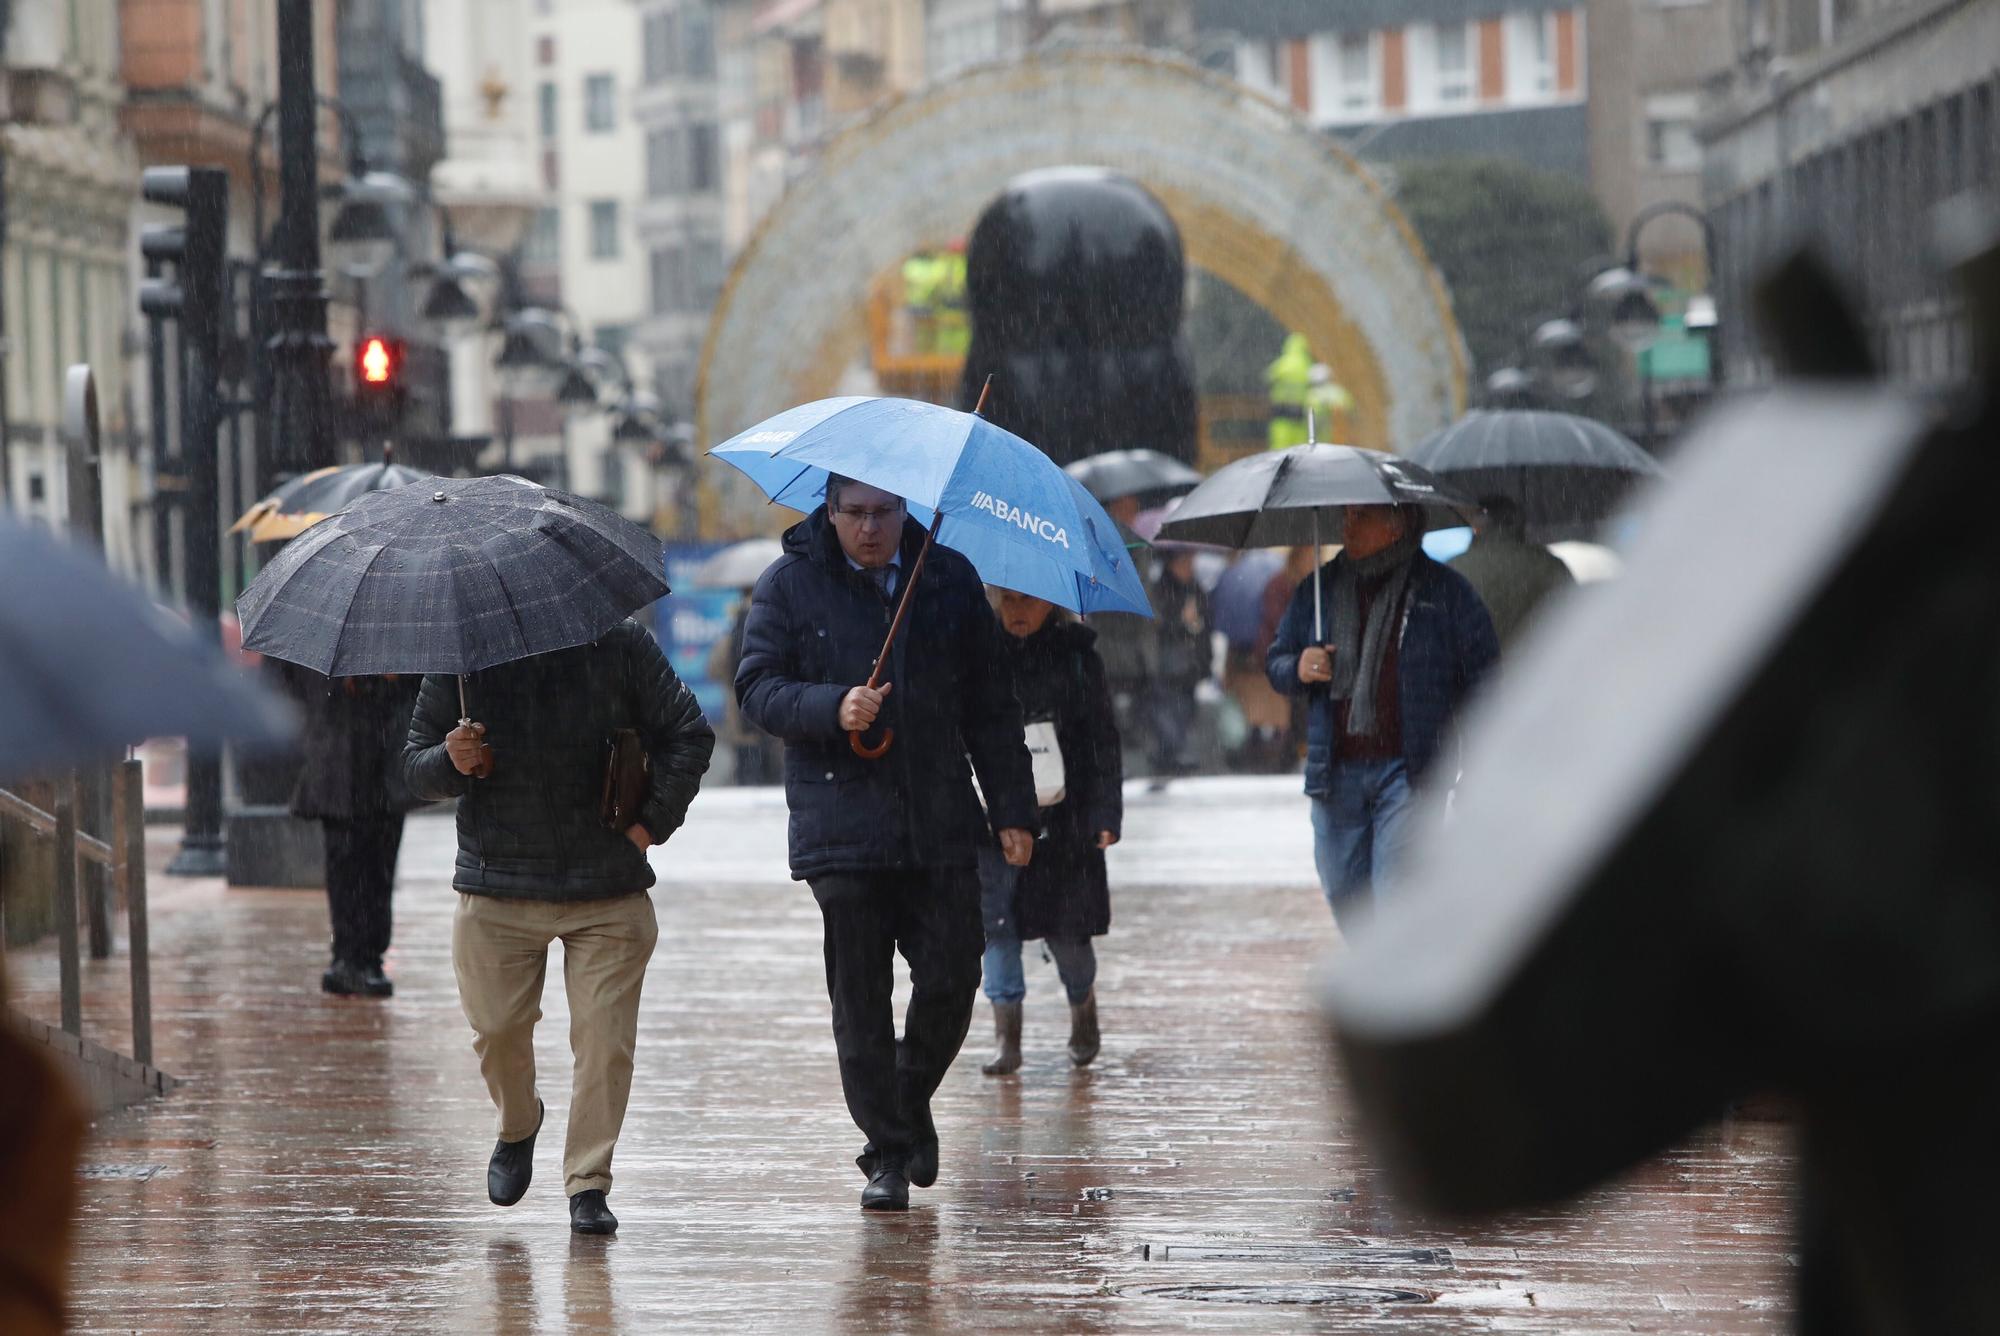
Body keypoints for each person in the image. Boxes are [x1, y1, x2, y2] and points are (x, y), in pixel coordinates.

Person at [735, 475, 1036, 1212]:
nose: (871, 529)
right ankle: (888, 1153)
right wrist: (833, 705)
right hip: (839, 826)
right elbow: (757, 689)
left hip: (937, 816)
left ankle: (905, 1095)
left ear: (906, 512)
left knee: (952, 973)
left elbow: (992, 706)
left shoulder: (949, 580)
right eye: (856, 514)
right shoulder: (789, 586)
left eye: (885, 514)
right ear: (829, 513)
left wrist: (1013, 808)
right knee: (860, 996)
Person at [402, 620, 713, 1236]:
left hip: (608, 884)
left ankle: (588, 1183)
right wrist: (450, 759)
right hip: (497, 880)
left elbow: (687, 734)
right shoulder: (464, 654)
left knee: (604, 1041)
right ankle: (519, 1123)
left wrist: (648, 826)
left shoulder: (620, 645)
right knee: (496, 1029)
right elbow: (414, 767)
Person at [1266, 505, 1497, 927]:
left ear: (1396, 526)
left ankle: (1391, 985)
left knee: (1397, 894)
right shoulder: (1318, 591)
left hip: (1409, 771)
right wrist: (1299, 666)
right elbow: (1277, 662)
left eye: (1360, 517)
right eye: (1346, 515)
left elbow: (1483, 678)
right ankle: (1377, 969)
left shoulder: (1442, 592)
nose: (1346, 525)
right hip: (1335, 770)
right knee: (1343, 890)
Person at [978, 587, 1123, 1077]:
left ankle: (1083, 1009)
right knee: (996, 929)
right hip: (992, 815)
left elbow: (1103, 739)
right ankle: (1007, 1039)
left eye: (1029, 601)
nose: (1017, 612)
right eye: (1008, 600)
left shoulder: (1079, 657)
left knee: (1069, 935)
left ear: (1052, 601)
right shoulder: (977, 650)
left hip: (1067, 820)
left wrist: (1105, 814)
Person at [283, 669, 422, 997]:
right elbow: (293, 685)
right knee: (345, 863)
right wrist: (337, 683)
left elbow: (421, 688)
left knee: (380, 863)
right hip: (340, 764)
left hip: (383, 765)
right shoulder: (317, 637)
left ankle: (371, 956)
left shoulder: (398, 633)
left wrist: (395, 679)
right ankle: (346, 956)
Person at [1447, 495, 1577, 649]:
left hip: (1477, 668)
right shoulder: (1549, 565)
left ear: (1476, 526)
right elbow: (1574, 621)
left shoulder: (1453, 569)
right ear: (1518, 523)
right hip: (1537, 665)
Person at [1147, 550, 1211, 783]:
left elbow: (1205, 624)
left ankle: (1174, 752)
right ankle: (1170, 753)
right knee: (1169, 709)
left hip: (1190, 664)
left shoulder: (1195, 588)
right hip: (1169, 663)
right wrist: (1181, 621)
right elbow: (1158, 625)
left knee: (1185, 709)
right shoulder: (1161, 589)